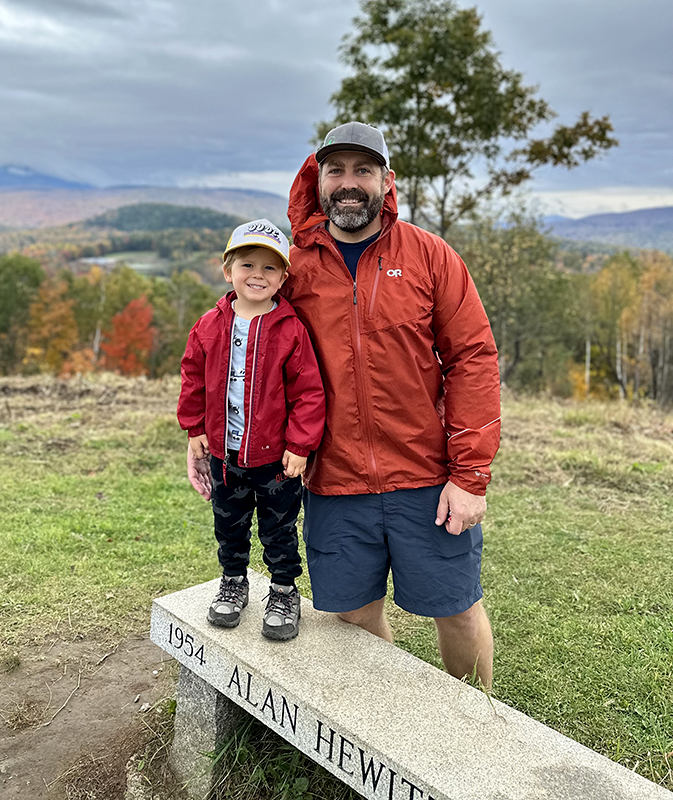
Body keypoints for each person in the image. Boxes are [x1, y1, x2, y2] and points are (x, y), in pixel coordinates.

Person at [188, 123, 500, 688]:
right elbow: (233, 345)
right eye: (337, 170)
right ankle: (393, 729)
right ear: (318, 179)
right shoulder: (293, 269)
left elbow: (473, 359)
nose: (349, 184)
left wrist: (471, 475)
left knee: (454, 606)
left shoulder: (430, 256)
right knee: (352, 616)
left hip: (426, 475)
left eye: (363, 170)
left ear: (386, 181)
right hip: (332, 476)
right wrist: (205, 435)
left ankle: (475, 721)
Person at [178, 219, 325, 641]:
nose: (257, 275)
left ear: (282, 278)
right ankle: (233, 581)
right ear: (228, 271)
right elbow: (193, 378)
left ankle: (282, 590)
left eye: (269, 268)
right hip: (226, 457)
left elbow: (310, 392)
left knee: (278, 528)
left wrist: (300, 444)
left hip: (276, 460)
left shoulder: (291, 330)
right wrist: (194, 429)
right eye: (247, 264)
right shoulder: (209, 325)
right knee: (229, 524)